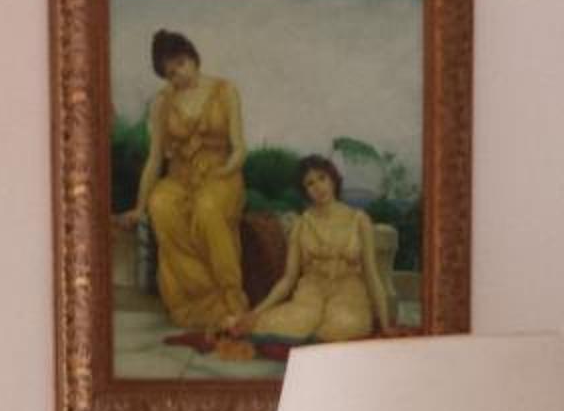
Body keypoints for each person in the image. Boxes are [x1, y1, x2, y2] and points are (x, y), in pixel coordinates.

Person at [117, 29, 248, 330]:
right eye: (170, 72)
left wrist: (224, 171)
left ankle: (231, 299)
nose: (178, 74)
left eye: (180, 64)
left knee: (207, 207)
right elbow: (154, 159)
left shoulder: (225, 90)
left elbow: (240, 148)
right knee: (161, 203)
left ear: (193, 58)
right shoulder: (162, 103)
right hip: (179, 176)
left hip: (221, 173)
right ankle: (200, 303)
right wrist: (139, 207)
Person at [229, 154, 398, 346]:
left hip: (348, 293)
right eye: (310, 184)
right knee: (285, 325)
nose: (318, 187)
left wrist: (385, 325)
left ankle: (317, 337)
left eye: (322, 178)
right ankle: (302, 330)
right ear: (305, 191)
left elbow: (372, 275)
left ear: (332, 179)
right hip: (311, 293)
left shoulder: (359, 220)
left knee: (340, 326)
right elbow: (288, 279)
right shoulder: (302, 224)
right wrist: (255, 313)